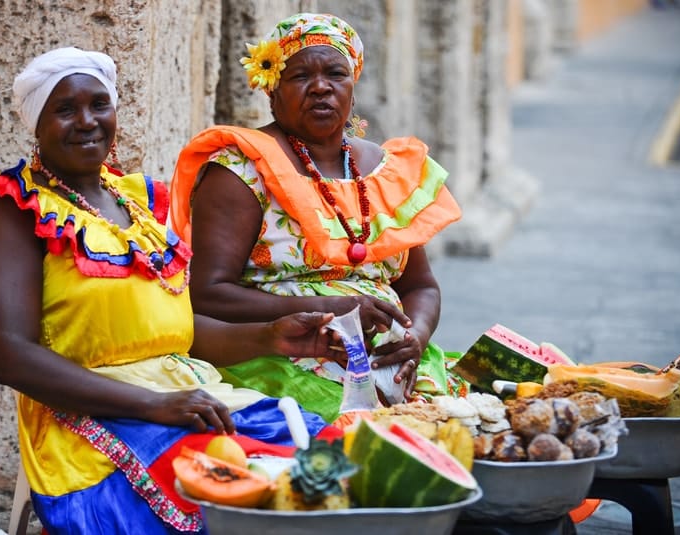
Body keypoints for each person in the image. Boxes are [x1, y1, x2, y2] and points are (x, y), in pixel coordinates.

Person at [0, 47, 346, 534]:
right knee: (242, 498)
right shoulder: (13, 211)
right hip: (90, 418)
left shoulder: (137, 202)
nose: (87, 121)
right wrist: (155, 406)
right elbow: (9, 358)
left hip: (187, 397)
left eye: (98, 105)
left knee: (326, 466)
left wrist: (270, 336)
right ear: (36, 124)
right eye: (65, 110)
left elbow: (172, 333)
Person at [169, 13, 470, 423]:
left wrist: (415, 336)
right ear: (272, 89)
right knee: (359, 442)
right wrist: (335, 308)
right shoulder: (242, 172)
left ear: (352, 86)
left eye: (335, 73)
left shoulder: (386, 171)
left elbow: (421, 286)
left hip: (394, 362)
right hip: (281, 358)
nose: (321, 87)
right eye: (299, 76)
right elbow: (205, 294)